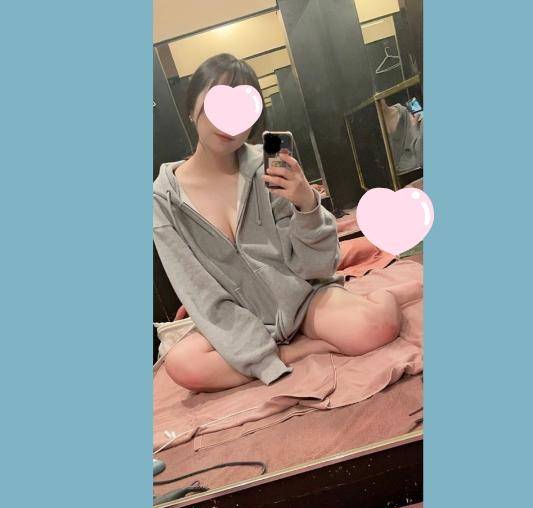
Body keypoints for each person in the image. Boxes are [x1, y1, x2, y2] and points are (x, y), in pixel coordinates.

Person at [153, 53, 401, 393]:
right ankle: (296, 350)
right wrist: (258, 350)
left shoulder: (267, 169)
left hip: (301, 300)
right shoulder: (163, 199)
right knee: (184, 365)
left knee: (377, 326)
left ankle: (378, 297)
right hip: (238, 319)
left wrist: (307, 205)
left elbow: (315, 266)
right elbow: (197, 289)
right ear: (191, 109)